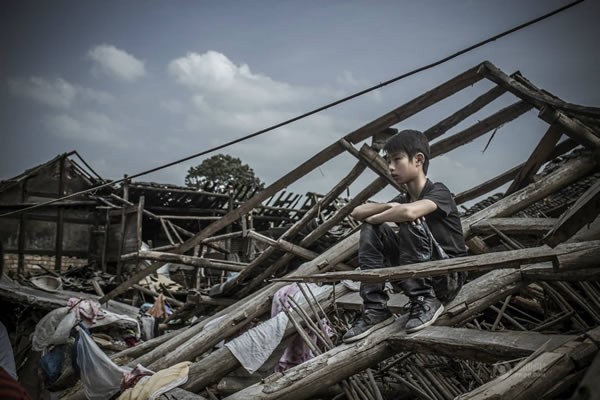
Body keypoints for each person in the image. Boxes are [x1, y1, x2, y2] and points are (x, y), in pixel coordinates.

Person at [343, 129, 467, 343]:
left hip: (448, 277)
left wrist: (384, 214)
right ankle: (375, 309)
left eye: (397, 159)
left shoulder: (439, 191)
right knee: (371, 229)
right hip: (414, 272)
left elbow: (409, 212)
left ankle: (425, 299)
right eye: (388, 161)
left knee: (407, 219)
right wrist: (390, 207)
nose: (390, 167)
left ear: (418, 159)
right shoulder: (403, 198)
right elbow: (356, 212)